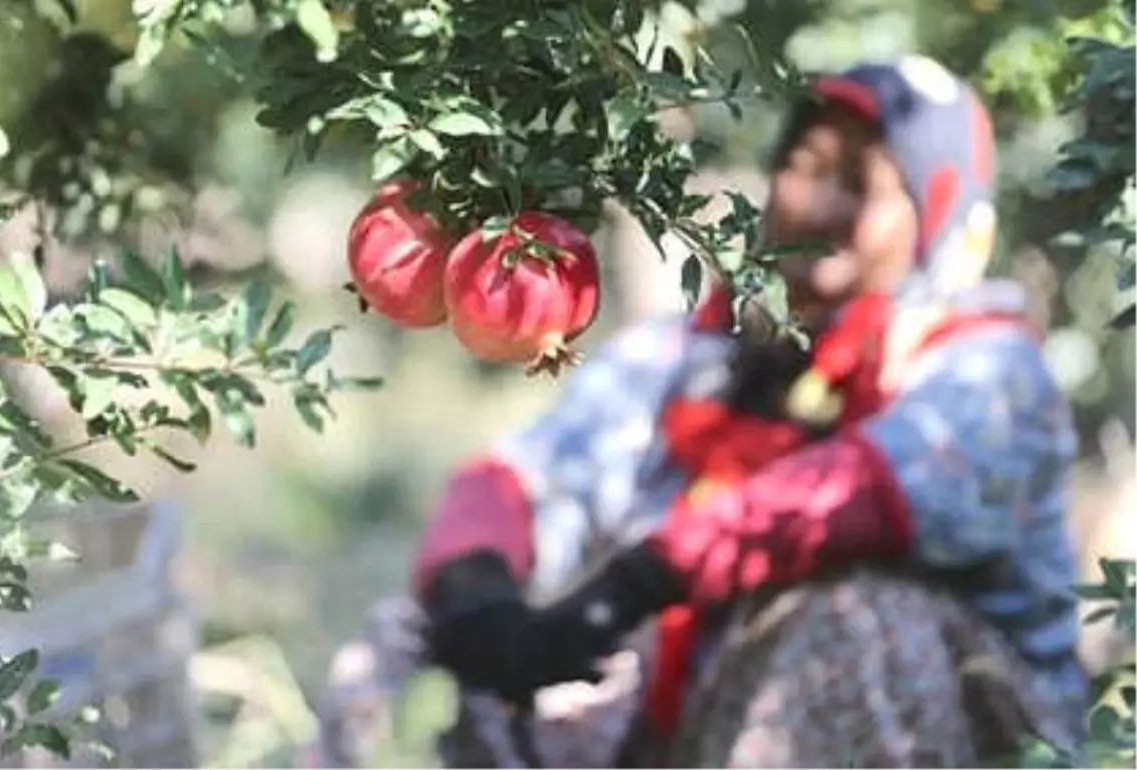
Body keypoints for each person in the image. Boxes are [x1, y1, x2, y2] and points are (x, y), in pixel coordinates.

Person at [321, 55, 1087, 769]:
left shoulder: (989, 372)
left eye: (860, 184)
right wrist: (475, 591)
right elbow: (528, 474)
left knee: (858, 620)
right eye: (804, 166)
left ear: (938, 218)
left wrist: (638, 582)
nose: (818, 202)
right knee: (420, 632)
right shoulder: (703, 353)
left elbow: (855, 492)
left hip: (971, 733)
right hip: (701, 713)